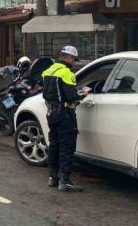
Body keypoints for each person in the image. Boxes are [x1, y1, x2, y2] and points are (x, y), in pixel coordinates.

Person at [42, 45, 88, 192]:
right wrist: (83, 94)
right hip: (64, 114)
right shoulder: (67, 73)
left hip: (51, 113)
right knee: (67, 146)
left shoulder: (48, 71)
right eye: (74, 59)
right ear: (68, 58)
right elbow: (71, 96)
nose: (74, 62)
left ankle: (52, 178)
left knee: (54, 145)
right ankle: (65, 181)